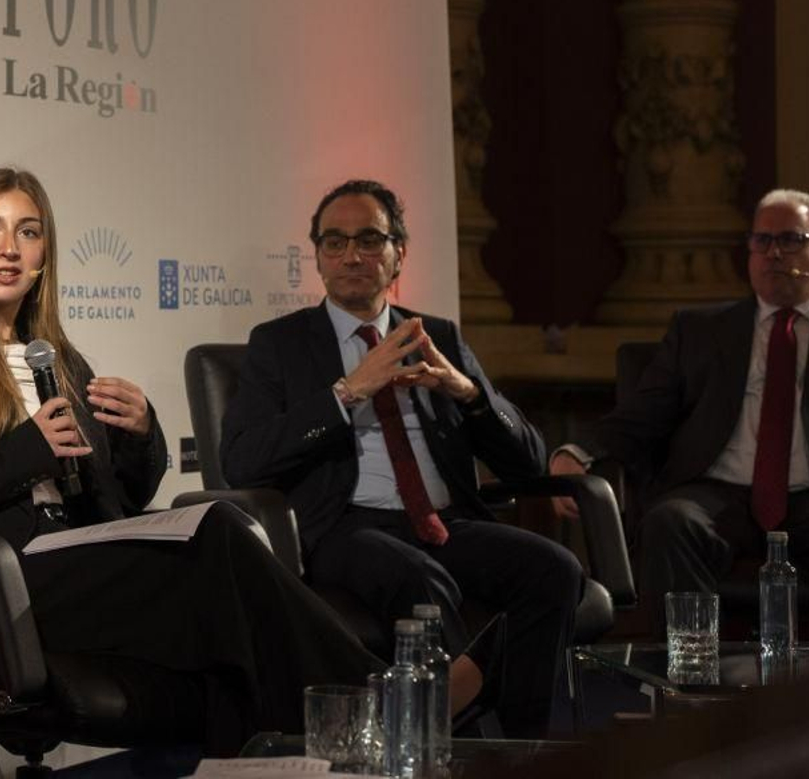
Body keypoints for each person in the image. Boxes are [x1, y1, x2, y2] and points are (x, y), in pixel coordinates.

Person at [0, 168, 451, 757]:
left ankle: (284, 753)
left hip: (74, 557)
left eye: (28, 232)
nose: (9, 248)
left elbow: (120, 501)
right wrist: (25, 451)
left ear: (46, 254)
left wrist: (143, 436)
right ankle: (387, 701)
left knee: (219, 556)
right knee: (217, 540)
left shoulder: (58, 360)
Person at [221, 179, 582, 738]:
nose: (351, 255)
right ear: (317, 256)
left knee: (555, 570)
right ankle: (454, 734)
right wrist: (347, 393)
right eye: (334, 242)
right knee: (417, 578)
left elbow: (528, 463)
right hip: (346, 527)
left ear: (399, 255)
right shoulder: (282, 344)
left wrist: (468, 393)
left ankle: (523, 744)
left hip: (442, 521)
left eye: (369, 239)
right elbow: (242, 460)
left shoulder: (435, 335)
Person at [552, 188, 809, 639]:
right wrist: (578, 451)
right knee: (669, 523)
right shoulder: (698, 330)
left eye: (791, 240)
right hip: (719, 494)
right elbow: (641, 417)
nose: (774, 253)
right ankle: (689, 689)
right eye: (762, 241)